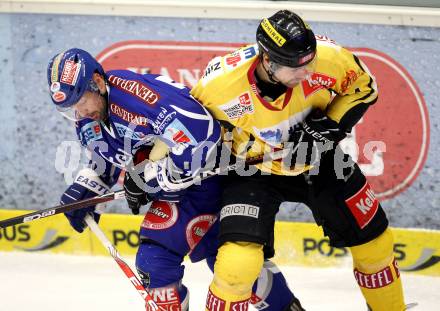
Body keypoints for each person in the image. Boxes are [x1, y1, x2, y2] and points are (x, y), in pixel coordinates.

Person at [47, 48, 304, 310]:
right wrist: (90, 187)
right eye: (71, 107)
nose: (80, 111)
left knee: (205, 263)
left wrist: (151, 176)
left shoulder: (137, 98)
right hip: (182, 189)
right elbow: (110, 154)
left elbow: (203, 135)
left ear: (99, 83)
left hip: (210, 179)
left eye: (82, 100)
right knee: (175, 262)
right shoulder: (89, 114)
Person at [191, 10, 405, 311]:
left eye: (311, 62)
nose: (307, 73)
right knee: (236, 265)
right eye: (295, 68)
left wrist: (326, 129)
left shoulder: (329, 57)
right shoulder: (219, 85)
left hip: (319, 159)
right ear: (268, 60)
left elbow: (363, 88)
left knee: (375, 244)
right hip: (253, 169)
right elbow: (189, 130)